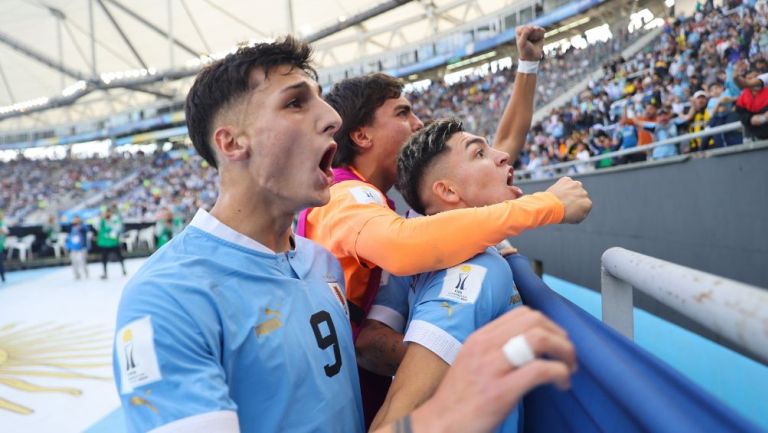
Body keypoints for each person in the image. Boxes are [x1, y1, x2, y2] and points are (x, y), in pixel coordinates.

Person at [113, 36, 576, 433]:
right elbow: (401, 252)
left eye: (320, 99)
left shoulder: (319, 263)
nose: (331, 117)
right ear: (232, 143)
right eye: (295, 102)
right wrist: (444, 409)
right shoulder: (164, 300)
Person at [299, 25, 591, 424]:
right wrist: (548, 206)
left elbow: (495, 157)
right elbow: (404, 248)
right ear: (361, 135)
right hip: (355, 403)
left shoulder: (390, 206)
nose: (418, 123)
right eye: (403, 112)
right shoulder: (346, 195)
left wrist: (526, 66)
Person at [370, 119, 575, 431]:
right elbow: (393, 420)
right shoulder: (473, 271)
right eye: (479, 153)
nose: (502, 156)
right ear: (449, 191)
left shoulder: (459, 255)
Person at [97, 207, 126, 279]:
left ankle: (124, 270)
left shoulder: (115, 220)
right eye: (106, 213)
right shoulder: (102, 221)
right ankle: (105, 273)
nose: (107, 214)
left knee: (120, 256)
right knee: (104, 259)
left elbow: (119, 228)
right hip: (104, 243)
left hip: (113, 242)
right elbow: (97, 227)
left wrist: (114, 232)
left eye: (108, 212)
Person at [66, 215, 90, 279]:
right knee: (74, 261)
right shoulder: (70, 226)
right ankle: (77, 275)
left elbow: (86, 230)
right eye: (74, 219)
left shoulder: (83, 225)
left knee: (83, 261)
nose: (76, 220)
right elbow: (67, 232)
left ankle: (86, 274)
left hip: (82, 246)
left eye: (77, 219)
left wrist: (80, 227)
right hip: (73, 247)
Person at [0, 211, 7, 283]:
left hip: (0, 246)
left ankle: (3, 277)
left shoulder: (2, 224)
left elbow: (5, 232)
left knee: (0, 263)